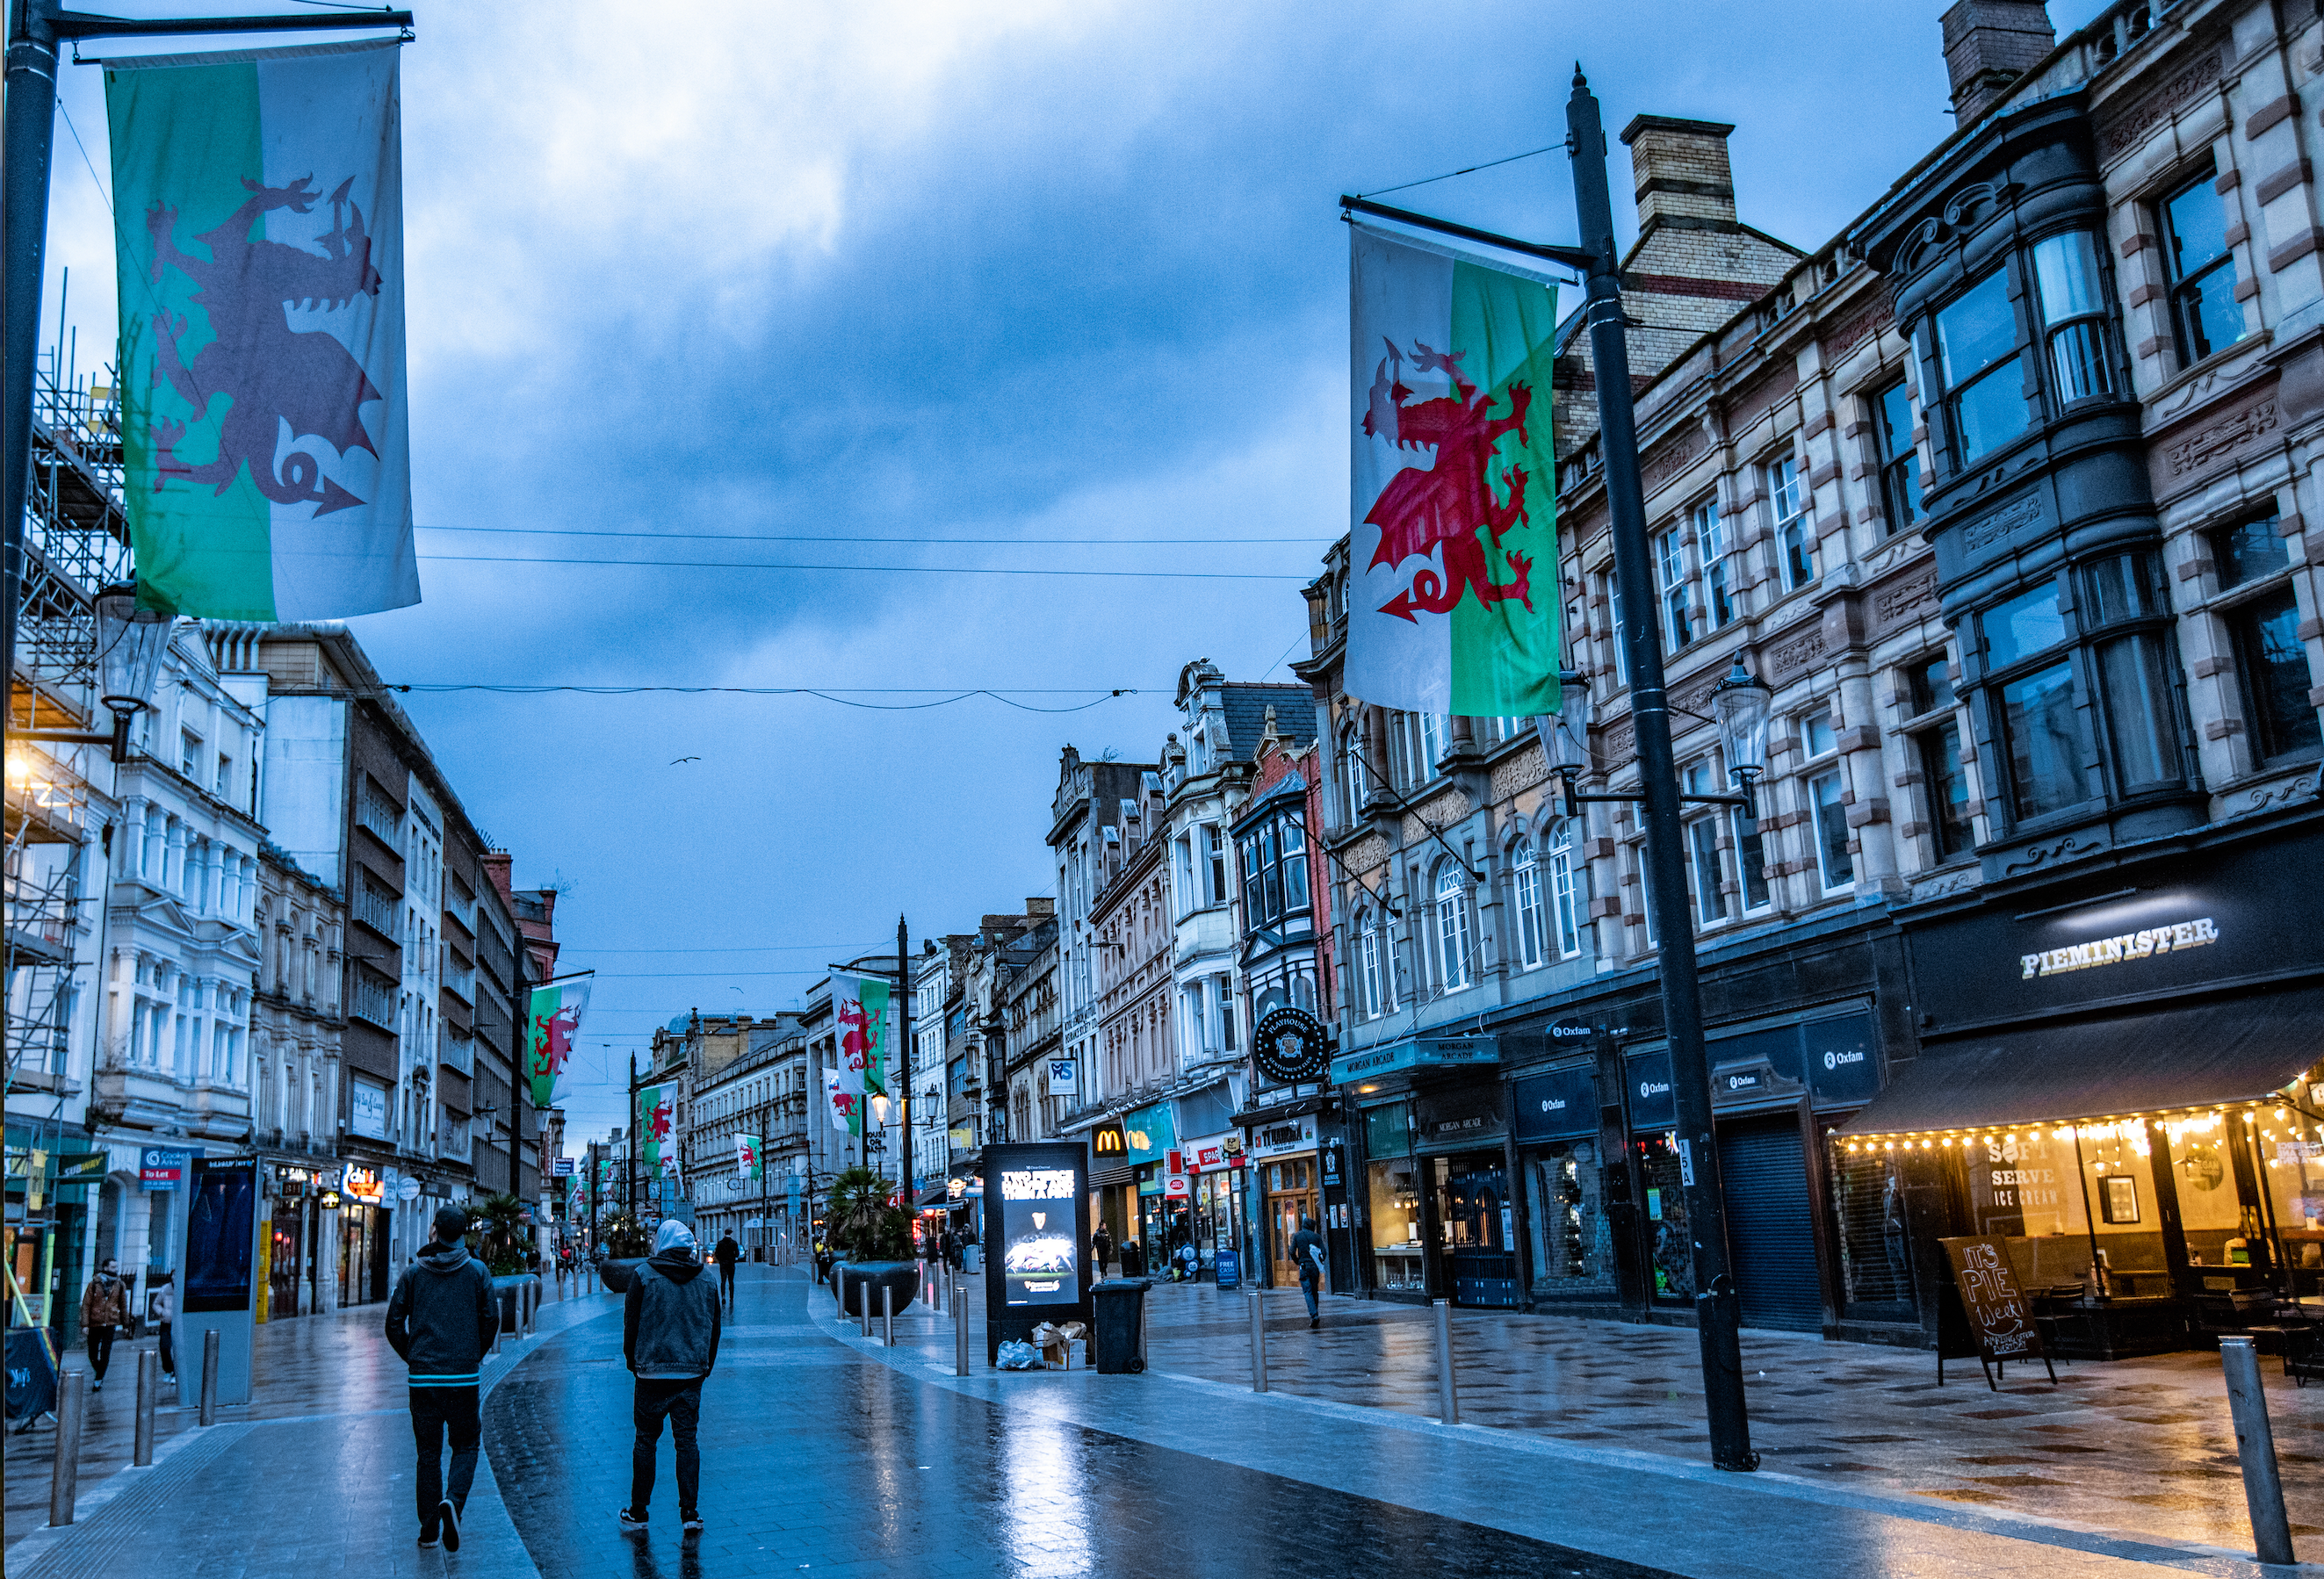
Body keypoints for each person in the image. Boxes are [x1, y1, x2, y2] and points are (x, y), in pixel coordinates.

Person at [385, 1204, 497, 1552]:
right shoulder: (478, 1272)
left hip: (423, 1380)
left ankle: (429, 1531)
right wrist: (472, 1355)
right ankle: (453, 1503)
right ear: (464, 1232)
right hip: (463, 1378)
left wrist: (413, 1358)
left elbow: (392, 1324)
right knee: (466, 1444)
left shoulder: (414, 1273)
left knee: (428, 1453)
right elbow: (491, 1319)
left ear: (434, 1230)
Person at [622, 1220, 720, 1537]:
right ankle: (690, 1512)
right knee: (687, 1442)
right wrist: (705, 1366)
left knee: (645, 1441)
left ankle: (639, 1511)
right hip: (691, 1373)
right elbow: (714, 1329)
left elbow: (631, 1326)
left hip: (651, 1373)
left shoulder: (643, 1276)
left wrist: (633, 1362)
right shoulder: (706, 1279)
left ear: (661, 1242)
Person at [79, 1258, 129, 1392]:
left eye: (116, 1267)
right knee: (92, 1354)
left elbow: (123, 1306)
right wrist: (85, 1324)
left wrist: (126, 1324)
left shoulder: (120, 1285)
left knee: (106, 1352)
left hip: (110, 1322)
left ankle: (98, 1380)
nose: (116, 1269)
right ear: (105, 1268)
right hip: (95, 1322)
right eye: (113, 1267)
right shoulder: (94, 1284)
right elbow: (86, 1305)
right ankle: (99, 1372)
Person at [1290, 1216, 1326, 1327]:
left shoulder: (1297, 1236)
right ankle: (1315, 1313)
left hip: (1304, 1266)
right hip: (1314, 1267)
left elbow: (1292, 1252)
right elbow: (1324, 1252)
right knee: (1315, 1291)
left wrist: (1298, 1261)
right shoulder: (1317, 1237)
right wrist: (1319, 1261)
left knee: (1307, 1291)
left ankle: (1314, 1315)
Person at [148, 1272, 175, 1380]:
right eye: (173, 1274)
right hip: (166, 1322)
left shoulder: (183, 1288)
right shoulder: (165, 1288)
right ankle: (168, 1369)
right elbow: (156, 1303)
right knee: (164, 1347)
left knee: (177, 1349)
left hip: (179, 1324)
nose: (174, 1277)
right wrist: (162, 1312)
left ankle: (176, 1372)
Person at [711, 1231, 740, 1307]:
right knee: (731, 1281)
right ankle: (731, 1297)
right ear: (731, 1234)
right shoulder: (734, 1243)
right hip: (731, 1264)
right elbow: (737, 1253)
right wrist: (733, 1258)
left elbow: (716, 1253)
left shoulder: (720, 1243)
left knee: (723, 1281)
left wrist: (720, 1260)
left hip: (723, 1264)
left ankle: (723, 1296)